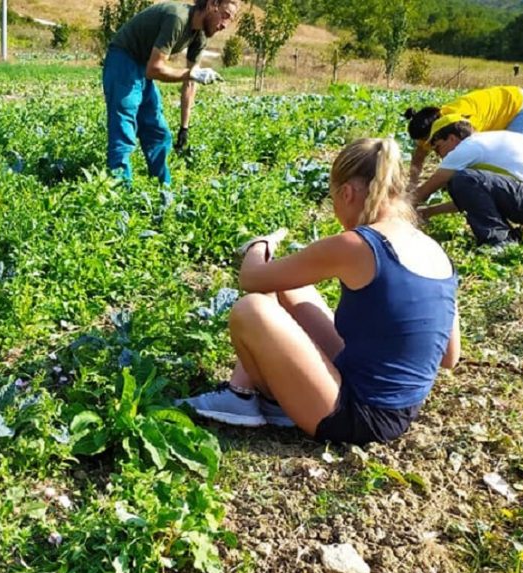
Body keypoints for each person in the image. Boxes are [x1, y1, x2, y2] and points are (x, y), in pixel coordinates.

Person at [178, 138, 460, 446]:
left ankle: (245, 396)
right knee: (289, 285)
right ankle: (278, 396)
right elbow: (449, 356)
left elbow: (251, 278)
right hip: (397, 410)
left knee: (251, 308)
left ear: (346, 193)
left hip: (357, 418)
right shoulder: (433, 249)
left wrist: (259, 245)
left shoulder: (357, 244)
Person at [103, 0, 238, 185]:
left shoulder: (201, 34)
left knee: (158, 132)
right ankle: (118, 194)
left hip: (142, 64)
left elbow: (191, 81)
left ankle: (162, 189)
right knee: (124, 130)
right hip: (123, 60)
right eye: (225, 15)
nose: (225, 24)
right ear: (211, 4)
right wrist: (192, 74)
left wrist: (184, 128)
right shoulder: (178, 19)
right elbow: (154, 69)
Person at [414, 114, 523, 249]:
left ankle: (499, 242)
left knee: (462, 179)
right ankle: (509, 237)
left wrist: (397, 207)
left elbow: (426, 191)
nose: (439, 156)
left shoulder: (468, 147)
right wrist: (429, 211)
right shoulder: (491, 142)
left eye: (438, 148)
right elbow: (476, 201)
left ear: (451, 138)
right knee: (465, 181)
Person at [404, 85, 523, 182]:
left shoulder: (464, 123)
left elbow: (470, 155)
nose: (431, 146)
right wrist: (412, 183)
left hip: (519, 106)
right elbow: (419, 155)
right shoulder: (432, 126)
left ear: (436, 130)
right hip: (499, 111)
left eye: (432, 141)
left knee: (512, 163)